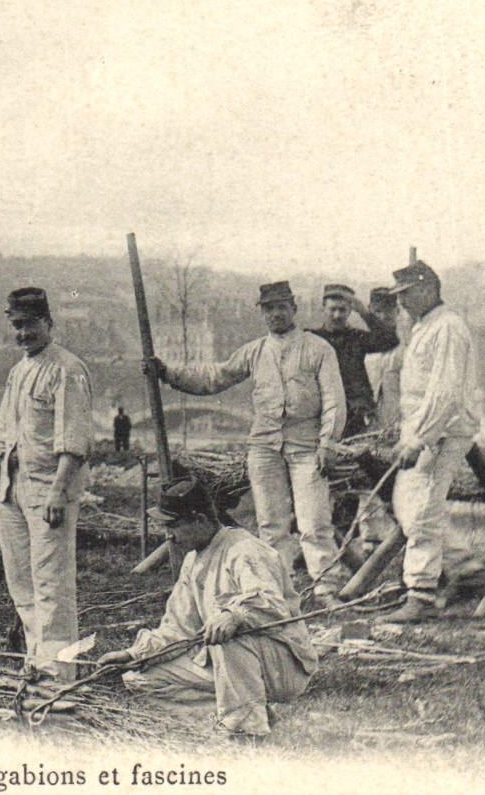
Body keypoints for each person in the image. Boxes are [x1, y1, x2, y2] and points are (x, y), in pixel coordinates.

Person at [145, 281, 348, 602]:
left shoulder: (318, 348)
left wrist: (328, 443)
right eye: (269, 309)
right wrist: (168, 373)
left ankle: (326, 588)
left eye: (282, 307)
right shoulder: (256, 351)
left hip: (306, 446)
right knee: (271, 522)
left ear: (294, 309)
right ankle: (279, 589)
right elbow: (216, 376)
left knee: (314, 520)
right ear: (263, 314)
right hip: (264, 447)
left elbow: (334, 399)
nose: (275, 314)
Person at [98, 478, 317, 740]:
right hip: (229, 663)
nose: (169, 535)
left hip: (282, 663)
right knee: (139, 680)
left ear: (200, 520)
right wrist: (132, 654)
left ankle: (246, 731)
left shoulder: (244, 549)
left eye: (173, 526)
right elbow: (177, 629)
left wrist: (234, 615)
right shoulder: (193, 560)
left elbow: (270, 602)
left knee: (228, 636)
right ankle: (246, 712)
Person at [0, 287, 92, 681]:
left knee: (52, 584)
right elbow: (4, 434)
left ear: (48, 323)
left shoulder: (67, 369)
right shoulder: (18, 371)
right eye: (16, 326)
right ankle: (38, 661)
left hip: (49, 491)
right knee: (23, 583)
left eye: (29, 325)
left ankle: (60, 675)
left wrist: (58, 492)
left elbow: (75, 439)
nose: (22, 334)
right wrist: (2, 486)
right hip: (12, 490)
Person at [381, 260, 481, 623]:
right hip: (423, 428)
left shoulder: (449, 328)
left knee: (422, 507)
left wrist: (419, 439)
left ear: (428, 288)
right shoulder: (424, 326)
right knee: (407, 504)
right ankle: (466, 569)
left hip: (444, 430)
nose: (402, 303)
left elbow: (444, 392)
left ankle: (420, 594)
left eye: (406, 294)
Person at [310, 283, 399, 438]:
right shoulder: (311, 339)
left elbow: (390, 340)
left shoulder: (357, 337)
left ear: (350, 311)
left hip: (355, 418)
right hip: (320, 415)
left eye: (343, 310)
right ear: (323, 308)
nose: (337, 315)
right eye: (332, 309)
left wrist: (364, 312)